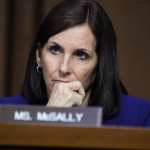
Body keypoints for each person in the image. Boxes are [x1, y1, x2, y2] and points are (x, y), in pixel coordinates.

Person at [0, 0, 150, 127]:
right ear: (39, 56)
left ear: (100, 65)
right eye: (55, 50)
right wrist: (50, 118)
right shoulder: (4, 112)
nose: (64, 68)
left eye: (80, 55)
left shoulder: (140, 117)